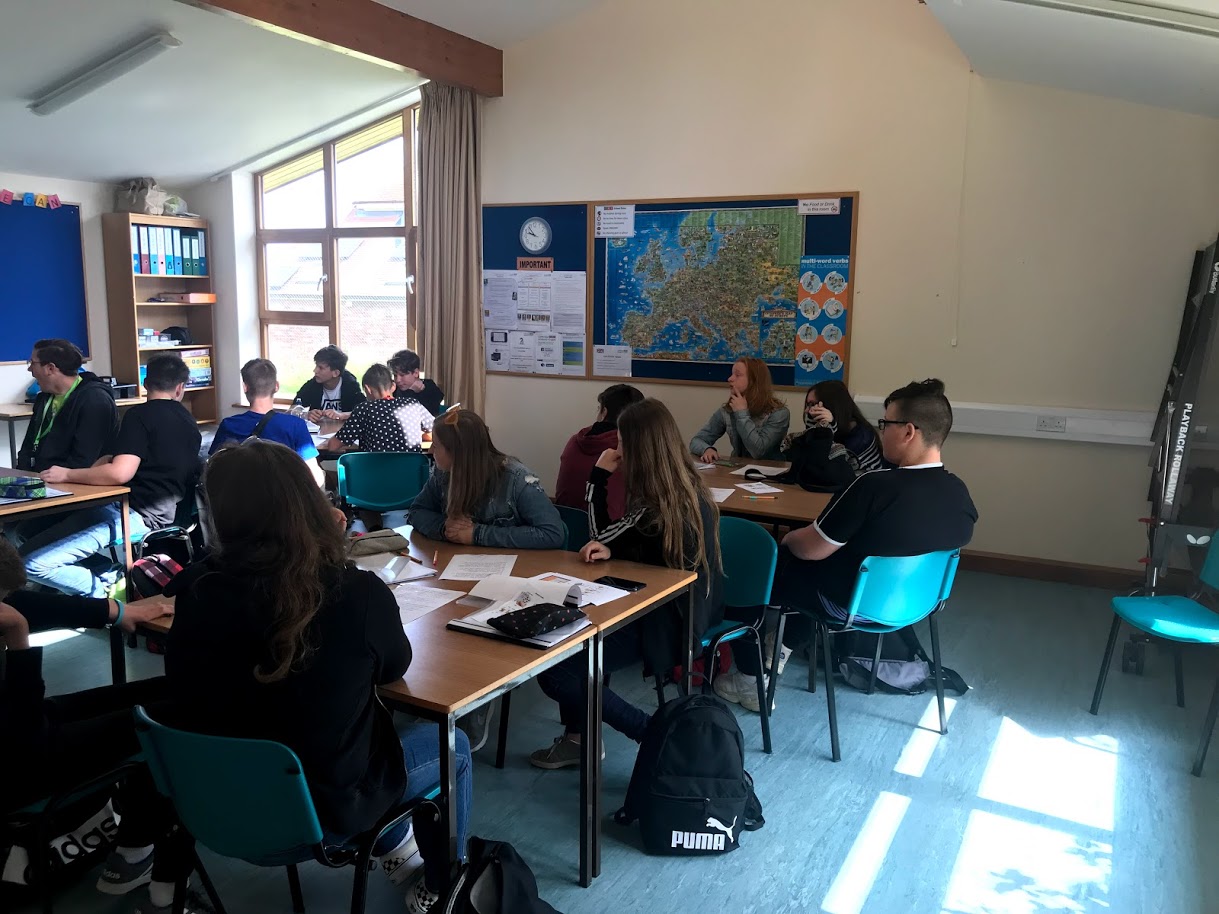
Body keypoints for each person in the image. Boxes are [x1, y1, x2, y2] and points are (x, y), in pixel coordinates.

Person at [163, 441, 471, 913]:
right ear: (309, 505)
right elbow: (394, 667)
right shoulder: (354, 593)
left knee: (344, 727)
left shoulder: (196, 590)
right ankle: (446, 883)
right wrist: (330, 550)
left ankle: (396, 848)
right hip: (319, 818)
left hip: (213, 809)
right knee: (452, 744)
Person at [715, 378, 978, 710]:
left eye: (886, 423)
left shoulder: (873, 487)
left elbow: (811, 547)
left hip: (847, 604)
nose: (882, 431)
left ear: (909, 431)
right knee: (803, 576)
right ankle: (779, 648)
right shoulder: (959, 493)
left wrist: (786, 539)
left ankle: (749, 677)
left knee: (753, 566)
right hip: (916, 605)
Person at [0, 539, 192, 913]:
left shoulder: (10, 606)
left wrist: (116, 611)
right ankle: (142, 863)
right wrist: (19, 637)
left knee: (170, 690)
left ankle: (135, 849)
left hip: (23, 728)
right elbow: (27, 744)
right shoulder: (11, 621)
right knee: (168, 720)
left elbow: (24, 604)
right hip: (21, 764)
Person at [531, 398, 723, 769]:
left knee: (559, 666)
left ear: (640, 449)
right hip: (679, 609)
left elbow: (598, 533)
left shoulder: (656, 505)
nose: (617, 450)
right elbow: (623, 541)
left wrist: (598, 478)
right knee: (581, 643)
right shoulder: (686, 489)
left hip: (667, 623)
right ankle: (581, 737)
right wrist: (614, 547)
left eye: (621, 443)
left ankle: (649, 732)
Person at [22, 356, 201, 598]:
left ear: (145, 384)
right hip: (161, 512)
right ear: (180, 388)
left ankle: (106, 594)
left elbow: (119, 473)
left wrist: (67, 474)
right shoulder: (189, 421)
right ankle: (110, 574)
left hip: (134, 513)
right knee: (27, 538)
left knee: (30, 563)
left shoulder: (139, 415)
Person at [409, 409, 564, 550]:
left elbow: (552, 533)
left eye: (435, 445)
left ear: (457, 453)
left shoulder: (517, 480)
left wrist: (476, 534)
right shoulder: (442, 473)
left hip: (514, 567)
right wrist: (445, 527)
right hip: (459, 563)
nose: (431, 450)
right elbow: (416, 511)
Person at [17, 338, 117, 472]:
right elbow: (27, 448)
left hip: (75, 480)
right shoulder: (44, 399)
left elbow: (83, 461)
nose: (29, 369)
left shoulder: (95, 400)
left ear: (50, 368)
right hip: (40, 477)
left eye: (33, 363)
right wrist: (23, 476)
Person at [554, 383, 643, 518]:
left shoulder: (575, 441)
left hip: (565, 523)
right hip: (607, 527)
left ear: (604, 412)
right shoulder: (630, 449)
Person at [209, 358, 320, 467]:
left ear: (245, 387)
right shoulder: (295, 425)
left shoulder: (228, 425)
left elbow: (213, 467)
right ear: (276, 386)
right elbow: (313, 473)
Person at [690, 357, 790, 462]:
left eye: (737, 375)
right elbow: (697, 440)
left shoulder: (779, 413)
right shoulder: (727, 410)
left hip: (769, 469)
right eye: (732, 374)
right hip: (737, 467)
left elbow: (758, 452)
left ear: (754, 381)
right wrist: (706, 449)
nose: (730, 379)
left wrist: (742, 414)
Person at [325, 364, 433, 454]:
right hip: (411, 472)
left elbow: (333, 446)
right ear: (393, 386)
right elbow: (435, 432)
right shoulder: (413, 404)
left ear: (368, 389)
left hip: (374, 471)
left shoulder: (364, 409)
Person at [799, 380, 888, 472]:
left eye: (812, 404)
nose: (807, 410)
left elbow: (826, 467)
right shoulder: (839, 429)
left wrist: (827, 429)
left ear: (830, 406)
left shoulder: (861, 437)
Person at [294, 344, 365, 422]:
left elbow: (363, 412)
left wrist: (342, 415)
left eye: (320, 368)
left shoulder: (351, 385)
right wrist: (306, 414)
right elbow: (293, 408)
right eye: (316, 366)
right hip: (320, 429)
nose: (315, 371)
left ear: (335, 373)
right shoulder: (312, 385)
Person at [389, 349, 444, 416]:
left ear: (416, 373)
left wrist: (421, 391)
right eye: (395, 375)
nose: (398, 380)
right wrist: (410, 391)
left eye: (402, 375)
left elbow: (434, 407)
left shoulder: (429, 386)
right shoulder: (393, 389)